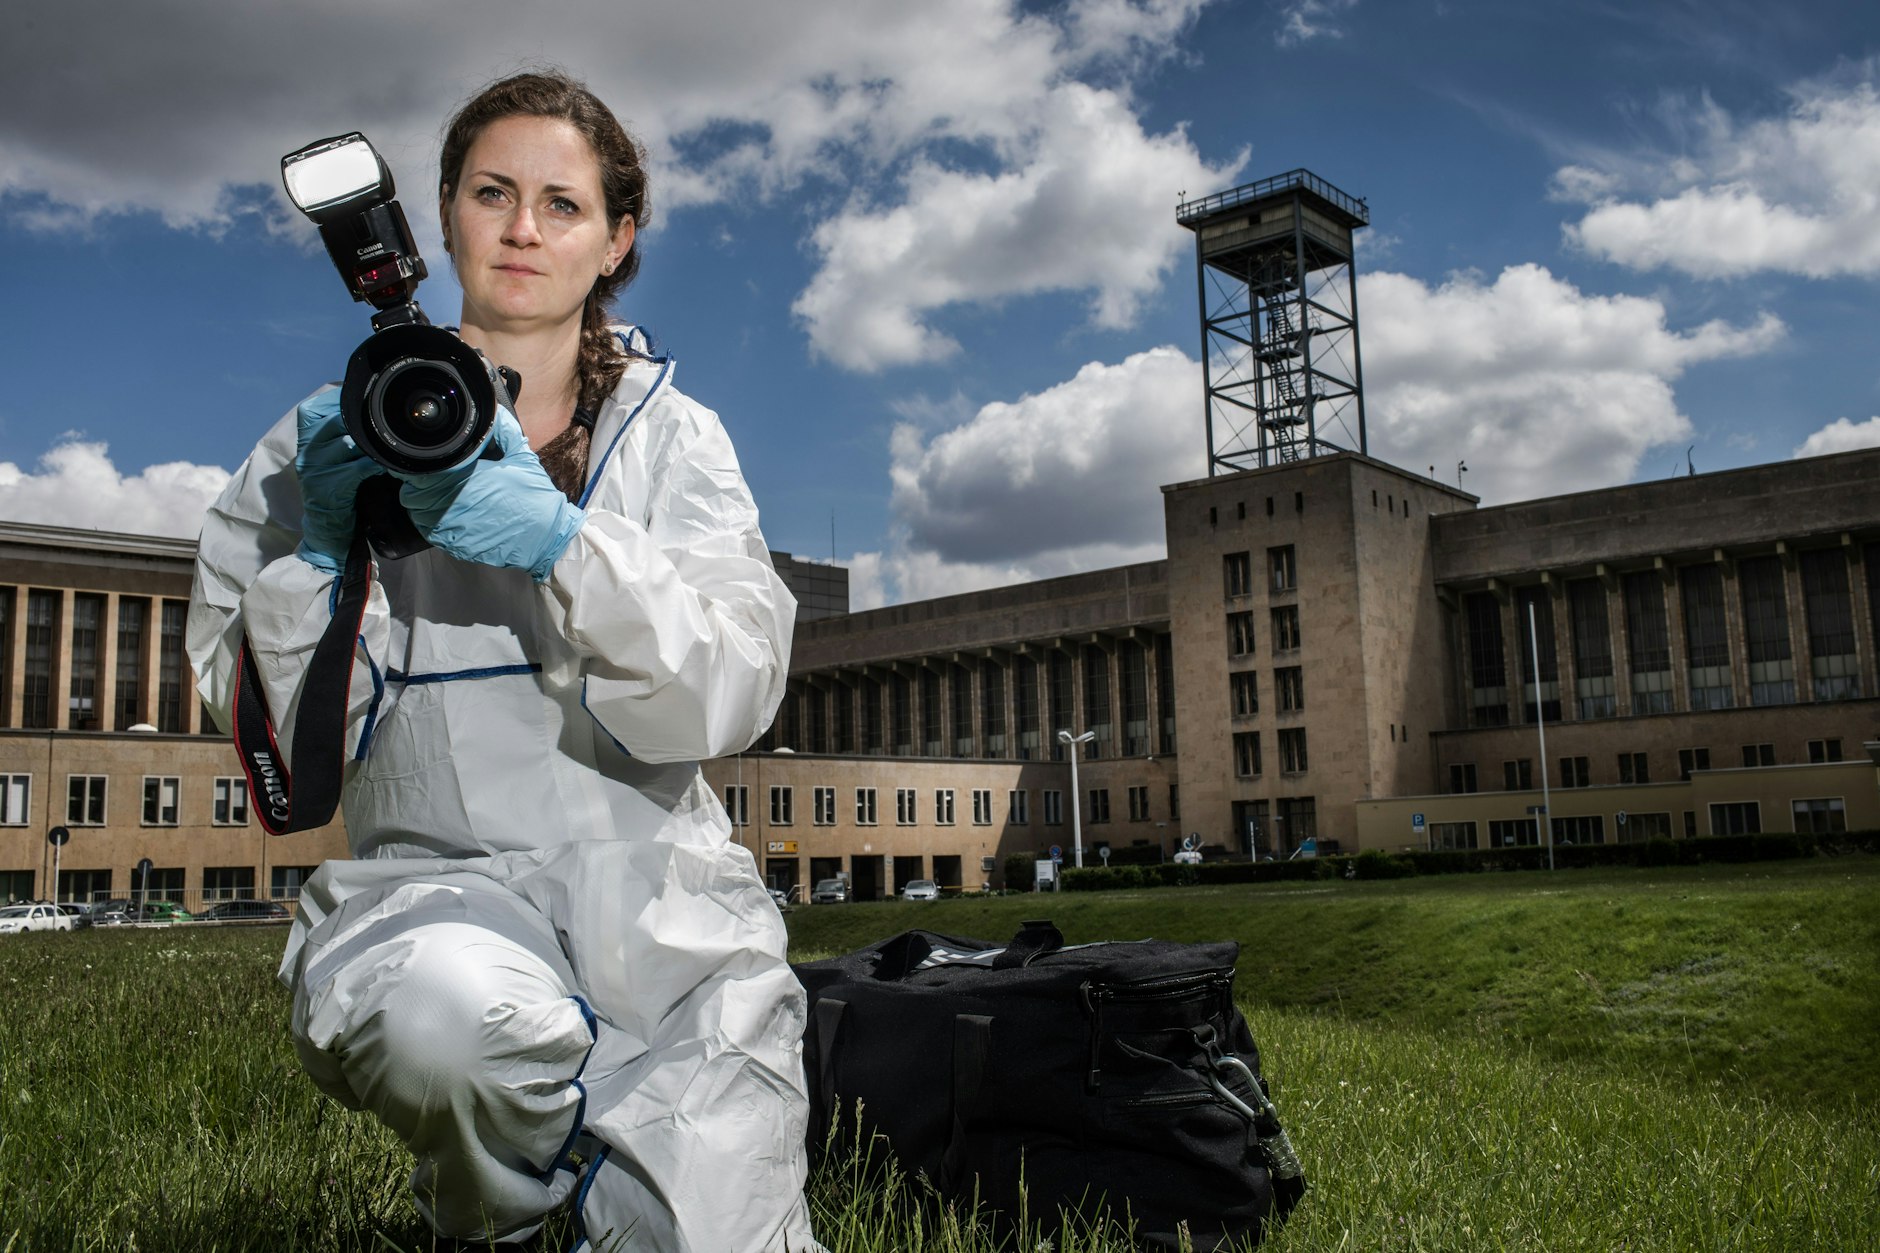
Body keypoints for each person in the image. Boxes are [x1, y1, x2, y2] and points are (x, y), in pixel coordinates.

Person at [187, 71, 822, 1253]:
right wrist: (319, 559)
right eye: (492, 193)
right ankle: (500, 1216)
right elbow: (290, 760)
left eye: (561, 204)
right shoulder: (323, 434)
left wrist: (564, 544)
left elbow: (730, 688)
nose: (523, 229)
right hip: (441, 895)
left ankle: (559, 1195)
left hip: (667, 921)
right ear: (441, 215)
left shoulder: (675, 434)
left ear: (616, 239)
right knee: (445, 1025)